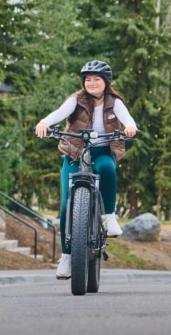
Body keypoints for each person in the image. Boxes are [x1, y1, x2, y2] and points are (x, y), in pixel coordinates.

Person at [34, 60, 138, 280]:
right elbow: (59, 114)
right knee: (64, 207)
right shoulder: (76, 100)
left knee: (108, 168)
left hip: (102, 150)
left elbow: (128, 119)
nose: (91, 83)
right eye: (88, 79)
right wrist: (44, 122)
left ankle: (109, 217)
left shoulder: (114, 102)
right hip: (74, 151)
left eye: (96, 79)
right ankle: (67, 257)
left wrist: (130, 127)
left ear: (106, 82)